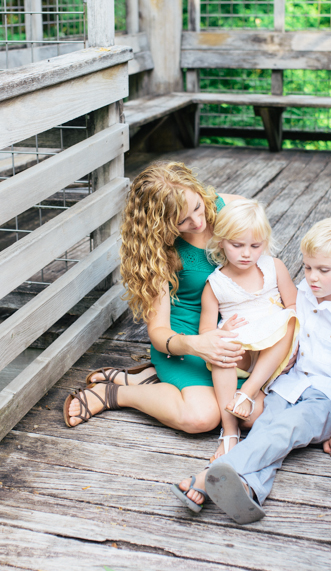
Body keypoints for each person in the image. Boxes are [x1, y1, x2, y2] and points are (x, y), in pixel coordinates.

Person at [172, 218, 331, 524]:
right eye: (308, 268)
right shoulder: (305, 291)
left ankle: (206, 477)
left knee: (285, 430)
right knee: (265, 429)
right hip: (290, 385)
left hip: (325, 399)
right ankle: (250, 490)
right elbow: (277, 318)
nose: (312, 278)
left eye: (323, 270)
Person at [63, 162, 247, 434]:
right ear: (159, 224)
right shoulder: (160, 251)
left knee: (251, 412)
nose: (198, 222)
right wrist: (196, 345)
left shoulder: (233, 210)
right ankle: (115, 394)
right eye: (181, 221)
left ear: (198, 190)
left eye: (197, 206)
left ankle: (149, 379)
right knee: (201, 418)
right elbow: (159, 330)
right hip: (186, 340)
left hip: (235, 329)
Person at [200, 199, 299, 461]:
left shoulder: (273, 267)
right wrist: (220, 334)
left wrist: (296, 341)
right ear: (221, 241)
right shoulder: (215, 284)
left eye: (255, 246)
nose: (246, 253)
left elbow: (293, 305)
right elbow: (206, 334)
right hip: (243, 347)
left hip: (275, 346)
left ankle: (249, 391)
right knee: (223, 350)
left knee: (288, 318)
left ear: (264, 243)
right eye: (237, 245)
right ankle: (229, 430)